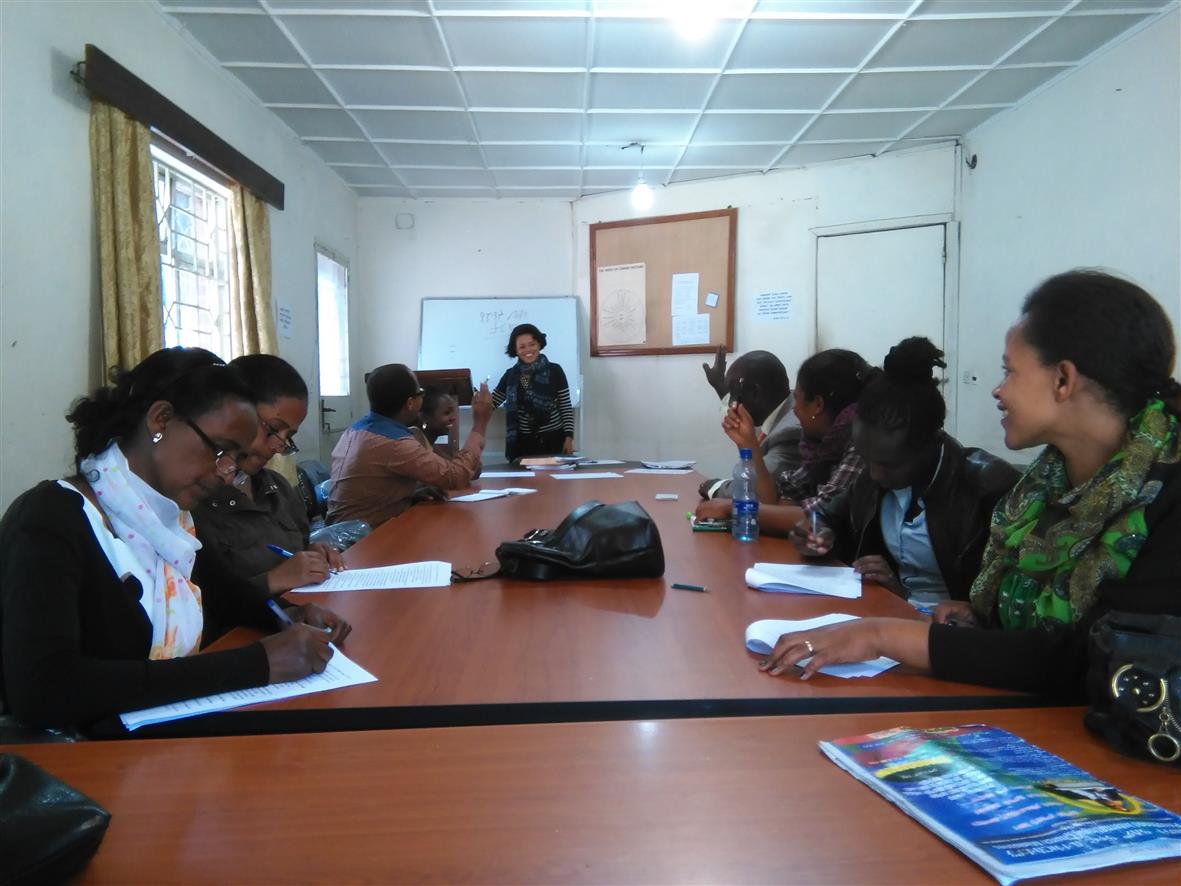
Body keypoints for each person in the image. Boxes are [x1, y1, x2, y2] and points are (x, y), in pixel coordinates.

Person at [758, 271, 1181, 699]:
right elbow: (1031, 632)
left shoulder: (1168, 500)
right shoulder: (1043, 486)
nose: (998, 390)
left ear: (1063, 380)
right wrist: (982, 620)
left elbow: (1086, 659)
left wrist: (883, 635)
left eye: (1010, 372)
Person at [0, 347, 351, 733]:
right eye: (219, 451)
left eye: (234, 457)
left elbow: (226, 597)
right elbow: (42, 689)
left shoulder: (173, 521)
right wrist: (257, 664)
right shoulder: (50, 519)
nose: (226, 472)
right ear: (161, 419)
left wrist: (288, 615)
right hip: (90, 766)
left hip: (166, 743)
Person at [793, 337, 1019, 609]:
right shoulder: (873, 479)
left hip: (949, 638)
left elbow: (993, 612)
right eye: (867, 460)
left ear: (930, 443)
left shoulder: (988, 488)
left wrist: (901, 597)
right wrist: (817, 537)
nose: (874, 474)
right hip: (888, 617)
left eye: (888, 465)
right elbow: (829, 518)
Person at [192, 355, 345, 613]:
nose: (278, 445)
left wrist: (313, 553)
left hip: (299, 621)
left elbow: (298, 546)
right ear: (237, 411)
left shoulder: (278, 489)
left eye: (289, 437)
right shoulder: (196, 496)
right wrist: (273, 580)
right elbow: (199, 604)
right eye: (273, 430)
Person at [695, 348, 870, 534]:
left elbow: (821, 516)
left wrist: (731, 508)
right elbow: (774, 501)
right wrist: (748, 444)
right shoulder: (819, 444)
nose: (794, 411)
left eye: (798, 401)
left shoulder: (860, 443)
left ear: (817, 405)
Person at [327, 363, 492, 527]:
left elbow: (369, 491)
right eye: (420, 392)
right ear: (410, 403)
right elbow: (455, 477)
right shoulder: (394, 443)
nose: (423, 396)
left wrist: (408, 496)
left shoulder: (353, 431)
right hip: (363, 542)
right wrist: (480, 423)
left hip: (346, 531)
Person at [698, 345, 802, 499]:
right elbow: (753, 429)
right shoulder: (787, 407)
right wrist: (723, 389)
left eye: (734, 394)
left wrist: (715, 488)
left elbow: (756, 488)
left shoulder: (790, 432)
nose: (732, 403)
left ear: (755, 392)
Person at [492, 323, 575, 462]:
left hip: (554, 440)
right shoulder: (511, 376)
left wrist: (569, 437)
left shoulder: (555, 371)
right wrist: (478, 398)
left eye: (532, 344)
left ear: (539, 344)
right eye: (522, 347)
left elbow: (565, 406)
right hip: (524, 444)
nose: (528, 350)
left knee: (554, 482)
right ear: (515, 350)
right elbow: (492, 402)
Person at [412, 387, 459, 459]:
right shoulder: (416, 444)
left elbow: (452, 466)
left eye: (453, 412)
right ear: (425, 417)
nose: (453, 417)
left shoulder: (428, 442)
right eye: (447, 412)